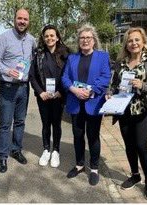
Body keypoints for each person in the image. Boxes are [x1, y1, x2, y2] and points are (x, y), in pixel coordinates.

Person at [106, 27, 147, 200]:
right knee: (129, 146)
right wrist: (110, 92)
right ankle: (135, 175)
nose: (133, 43)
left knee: (141, 146)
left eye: (136, 40)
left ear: (143, 42)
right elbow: (113, 84)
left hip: (142, 110)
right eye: (130, 40)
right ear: (126, 44)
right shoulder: (120, 62)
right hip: (123, 110)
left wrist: (143, 86)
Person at [62, 23, 111, 186]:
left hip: (94, 102)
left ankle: (95, 168)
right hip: (76, 103)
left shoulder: (102, 56)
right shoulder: (72, 58)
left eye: (88, 37)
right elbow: (65, 78)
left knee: (93, 136)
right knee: (77, 135)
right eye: (82, 37)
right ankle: (80, 164)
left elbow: (105, 77)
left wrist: (91, 91)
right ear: (78, 40)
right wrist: (74, 90)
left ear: (94, 40)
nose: (85, 40)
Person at [0, 8, 36, 173]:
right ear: (14, 19)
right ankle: (3, 157)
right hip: (8, 87)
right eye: (20, 18)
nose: (22, 22)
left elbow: (34, 59)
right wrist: (6, 71)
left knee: (20, 121)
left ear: (28, 21)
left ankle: (16, 150)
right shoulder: (4, 37)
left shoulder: (32, 40)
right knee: (5, 124)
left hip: (24, 87)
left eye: (25, 19)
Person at [29, 25, 70, 167]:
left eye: (52, 35)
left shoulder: (66, 54)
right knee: (46, 124)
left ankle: (56, 151)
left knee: (56, 124)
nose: (49, 38)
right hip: (44, 96)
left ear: (57, 37)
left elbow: (69, 75)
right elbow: (32, 76)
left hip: (58, 96)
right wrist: (40, 92)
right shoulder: (38, 54)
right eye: (46, 36)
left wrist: (62, 91)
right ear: (43, 38)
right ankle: (46, 149)